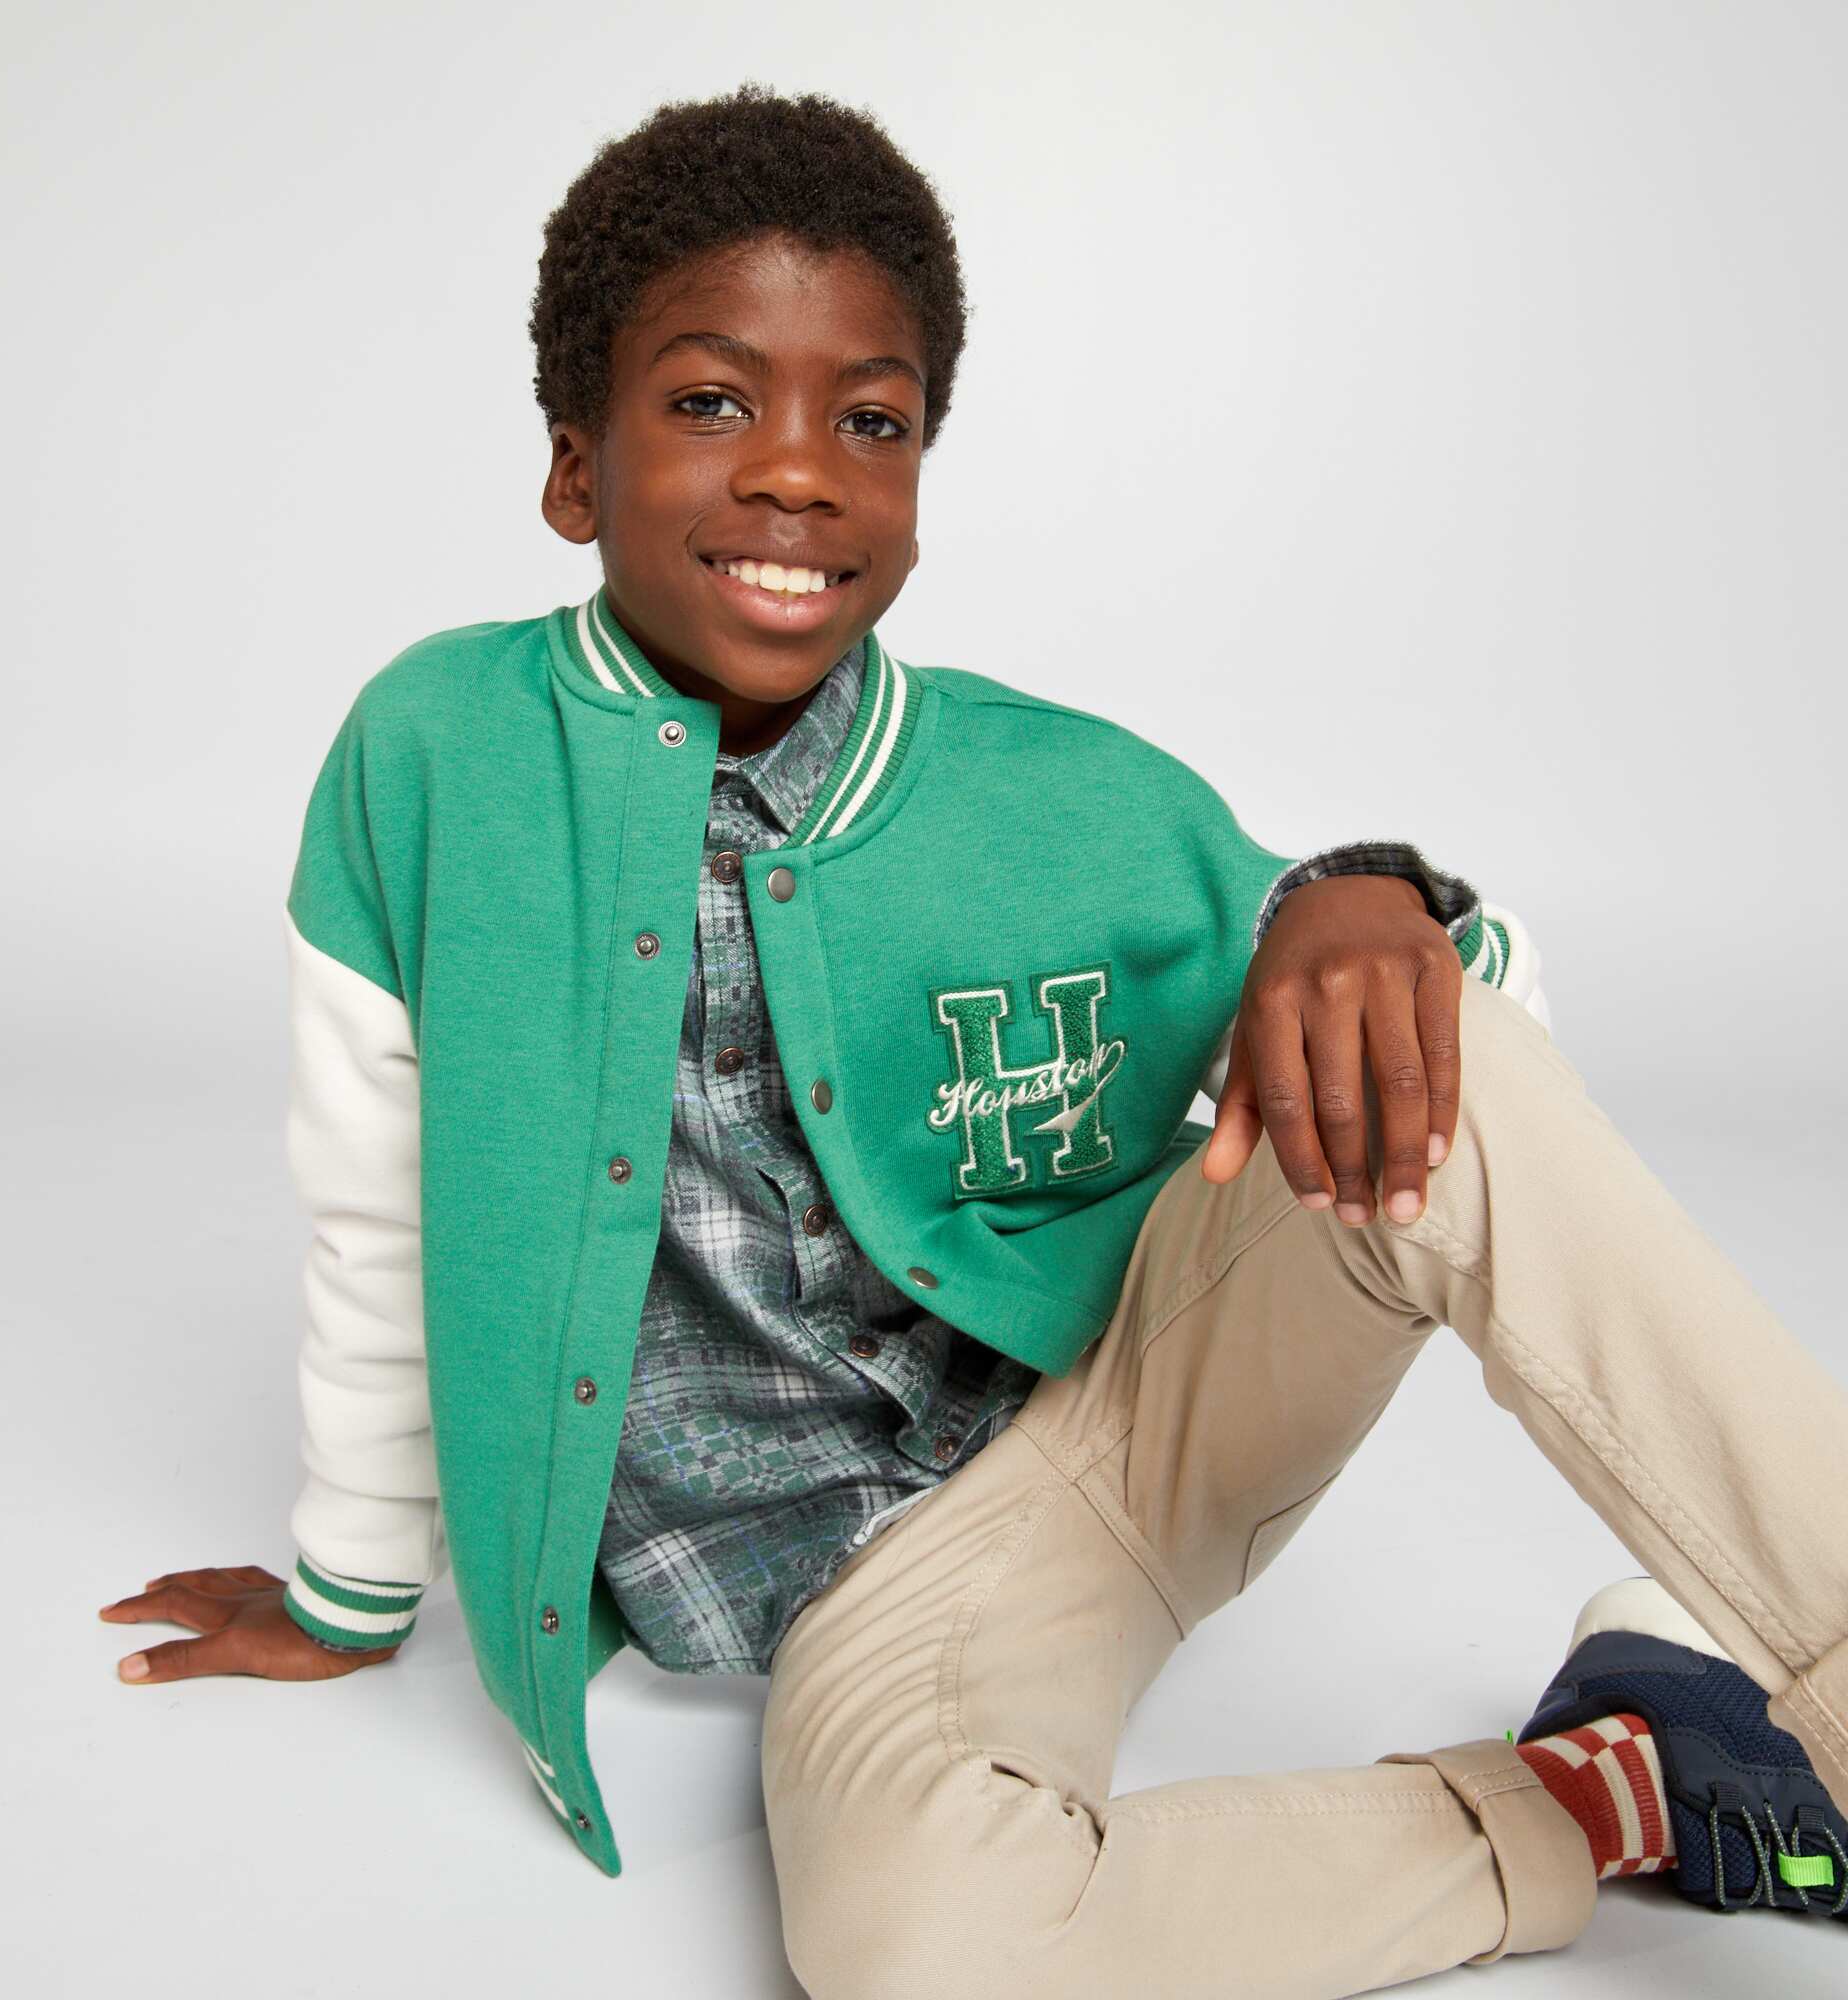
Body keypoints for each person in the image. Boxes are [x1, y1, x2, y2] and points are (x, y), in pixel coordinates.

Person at [97, 83, 1848, 1996]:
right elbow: (376, 1208)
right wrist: (352, 1585)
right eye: (711, 404)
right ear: (574, 471)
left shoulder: (1048, 789)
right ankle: (1621, 1785)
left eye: (872, 421)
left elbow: (1481, 1054)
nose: (797, 474)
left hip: (1137, 1415)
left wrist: (1368, 896)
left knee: (1442, 1049)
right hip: (890, 1596)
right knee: (926, 1944)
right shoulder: (434, 760)